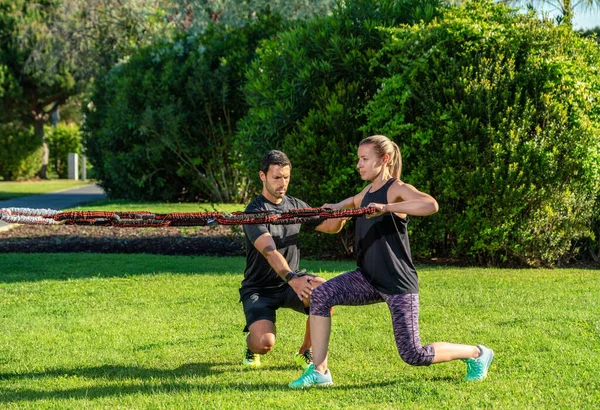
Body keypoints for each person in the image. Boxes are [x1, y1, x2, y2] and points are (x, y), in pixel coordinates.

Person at [289, 135, 494, 388]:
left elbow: (431, 204)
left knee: (413, 354)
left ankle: (478, 353)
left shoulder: (395, 189)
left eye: (365, 159)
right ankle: (320, 372)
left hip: (397, 283)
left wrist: (386, 208)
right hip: (367, 277)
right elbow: (343, 208)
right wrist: (326, 209)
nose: (359, 165)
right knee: (322, 295)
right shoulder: (366, 192)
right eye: (358, 159)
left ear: (384, 159)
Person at [241, 150, 346, 368]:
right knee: (264, 343)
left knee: (326, 293)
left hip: (290, 282)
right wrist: (292, 278)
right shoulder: (253, 211)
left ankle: (305, 351)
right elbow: (270, 251)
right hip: (260, 288)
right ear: (263, 176)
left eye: (286, 177)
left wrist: (342, 214)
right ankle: (250, 344)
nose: (282, 183)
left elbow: (329, 227)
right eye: (276, 177)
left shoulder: (295, 206)